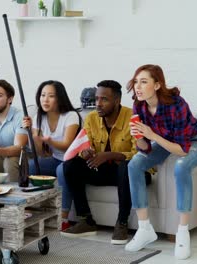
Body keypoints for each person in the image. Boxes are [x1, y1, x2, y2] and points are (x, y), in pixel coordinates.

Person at [124, 64, 197, 259]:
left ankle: (183, 232)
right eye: (136, 81)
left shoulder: (176, 105)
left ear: (157, 85)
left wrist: (152, 134)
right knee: (135, 164)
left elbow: (181, 150)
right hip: (165, 142)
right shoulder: (139, 105)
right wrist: (138, 136)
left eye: (143, 82)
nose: (138, 86)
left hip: (194, 143)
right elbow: (145, 148)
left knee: (181, 167)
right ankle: (145, 228)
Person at [60, 80, 151, 245]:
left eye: (104, 99)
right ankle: (86, 220)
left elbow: (139, 155)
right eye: (96, 99)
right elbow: (84, 145)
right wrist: (85, 153)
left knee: (126, 166)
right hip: (104, 171)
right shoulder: (91, 118)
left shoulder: (133, 118)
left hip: (135, 174)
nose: (98, 104)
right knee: (70, 165)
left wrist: (110, 155)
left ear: (117, 101)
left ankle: (122, 223)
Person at [22, 80, 82, 231]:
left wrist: (50, 141)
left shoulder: (71, 116)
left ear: (59, 98)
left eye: (51, 96)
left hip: (73, 160)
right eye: (43, 95)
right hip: (55, 159)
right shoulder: (38, 117)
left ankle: (63, 218)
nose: (45, 100)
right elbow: (41, 153)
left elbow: (67, 145)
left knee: (62, 171)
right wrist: (33, 135)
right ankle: (30, 211)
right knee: (29, 167)